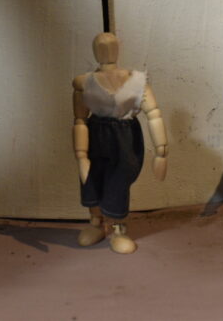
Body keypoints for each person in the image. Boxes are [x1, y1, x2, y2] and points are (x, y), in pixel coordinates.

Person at [72, 32, 168, 254]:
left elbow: (154, 114)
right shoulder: (84, 82)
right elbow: (79, 120)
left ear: (117, 49)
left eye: (110, 46)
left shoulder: (137, 81)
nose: (105, 51)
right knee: (92, 179)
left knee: (119, 179)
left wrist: (161, 151)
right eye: (100, 47)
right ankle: (96, 223)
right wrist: (81, 154)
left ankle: (118, 229)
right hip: (95, 134)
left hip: (124, 136)